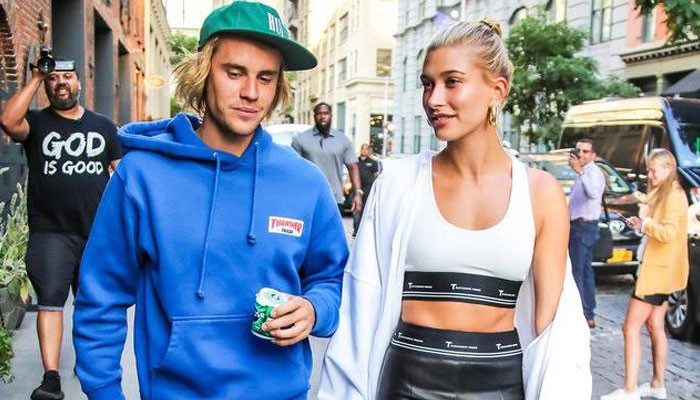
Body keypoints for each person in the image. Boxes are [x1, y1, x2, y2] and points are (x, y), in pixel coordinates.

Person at [72, 2, 347, 399]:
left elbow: (332, 280)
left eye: (266, 78)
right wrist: (104, 392)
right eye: (234, 73)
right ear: (203, 73)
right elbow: (101, 297)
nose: (251, 92)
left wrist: (315, 309)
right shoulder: (142, 176)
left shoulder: (305, 183)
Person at [318, 18, 591, 400]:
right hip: (406, 383)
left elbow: (553, 332)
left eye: (452, 82)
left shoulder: (540, 192)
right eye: (428, 84)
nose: (434, 99)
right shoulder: (398, 184)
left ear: (497, 90)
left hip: (501, 386)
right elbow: (361, 305)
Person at [0, 57, 121, 399]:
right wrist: (35, 78)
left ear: (79, 82)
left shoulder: (103, 126)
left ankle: (89, 362)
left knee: (91, 304)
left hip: (95, 234)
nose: (61, 82)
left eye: (67, 76)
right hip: (50, 231)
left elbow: (123, 173)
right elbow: (8, 121)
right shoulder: (36, 123)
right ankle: (51, 378)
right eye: (53, 78)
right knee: (51, 303)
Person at [602, 149, 689, 400]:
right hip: (659, 271)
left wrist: (647, 222)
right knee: (655, 325)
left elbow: (668, 233)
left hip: (657, 273)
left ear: (668, 168)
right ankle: (657, 384)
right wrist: (642, 225)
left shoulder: (673, 196)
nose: (649, 175)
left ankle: (630, 389)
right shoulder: (666, 193)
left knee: (630, 326)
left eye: (653, 170)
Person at [291, 102, 363, 214]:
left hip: (334, 199)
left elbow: (353, 168)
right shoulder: (300, 139)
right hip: (307, 197)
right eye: (319, 113)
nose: (322, 116)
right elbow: (293, 170)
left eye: (326, 113)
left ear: (331, 115)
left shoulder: (343, 140)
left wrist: (357, 193)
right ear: (314, 116)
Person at [568, 138, 606, 328]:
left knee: (578, 271)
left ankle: (582, 312)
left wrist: (580, 172)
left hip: (584, 228)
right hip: (578, 227)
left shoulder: (593, 173)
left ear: (593, 155)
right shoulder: (584, 173)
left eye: (585, 151)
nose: (580, 154)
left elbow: (592, 193)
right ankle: (587, 311)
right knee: (584, 271)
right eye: (578, 150)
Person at [352, 143, 379, 236]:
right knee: (357, 209)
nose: (364, 150)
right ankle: (356, 230)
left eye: (366, 149)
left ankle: (364, 230)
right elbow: (351, 173)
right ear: (360, 150)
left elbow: (377, 175)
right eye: (363, 148)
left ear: (368, 151)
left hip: (368, 189)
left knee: (366, 210)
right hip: (357, 189)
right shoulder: (355, 161)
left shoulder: (373, 162)